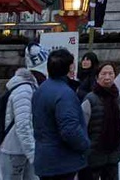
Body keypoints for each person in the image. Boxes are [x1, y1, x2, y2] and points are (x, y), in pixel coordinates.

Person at [32, 48, 91, 180]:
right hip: (62, 161)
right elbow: (70, 130)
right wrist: (85, 145)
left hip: (45, 157)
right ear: (70, 67)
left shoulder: (41, 89)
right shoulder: (65, 94)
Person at [79, 63, 120, 180]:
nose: (107, 77)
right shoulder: (90, 99)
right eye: (103, 74)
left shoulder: (116, 98)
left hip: (112, 154)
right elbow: (81, 127)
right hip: (93, 155)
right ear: (97, 77)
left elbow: (119, 125)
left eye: (110, 73)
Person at [0, 68, 39, 180]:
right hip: (16, 149)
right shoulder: (24, 90)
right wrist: (32, 153)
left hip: (19, 148)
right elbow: (23, 125)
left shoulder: (27, 88)